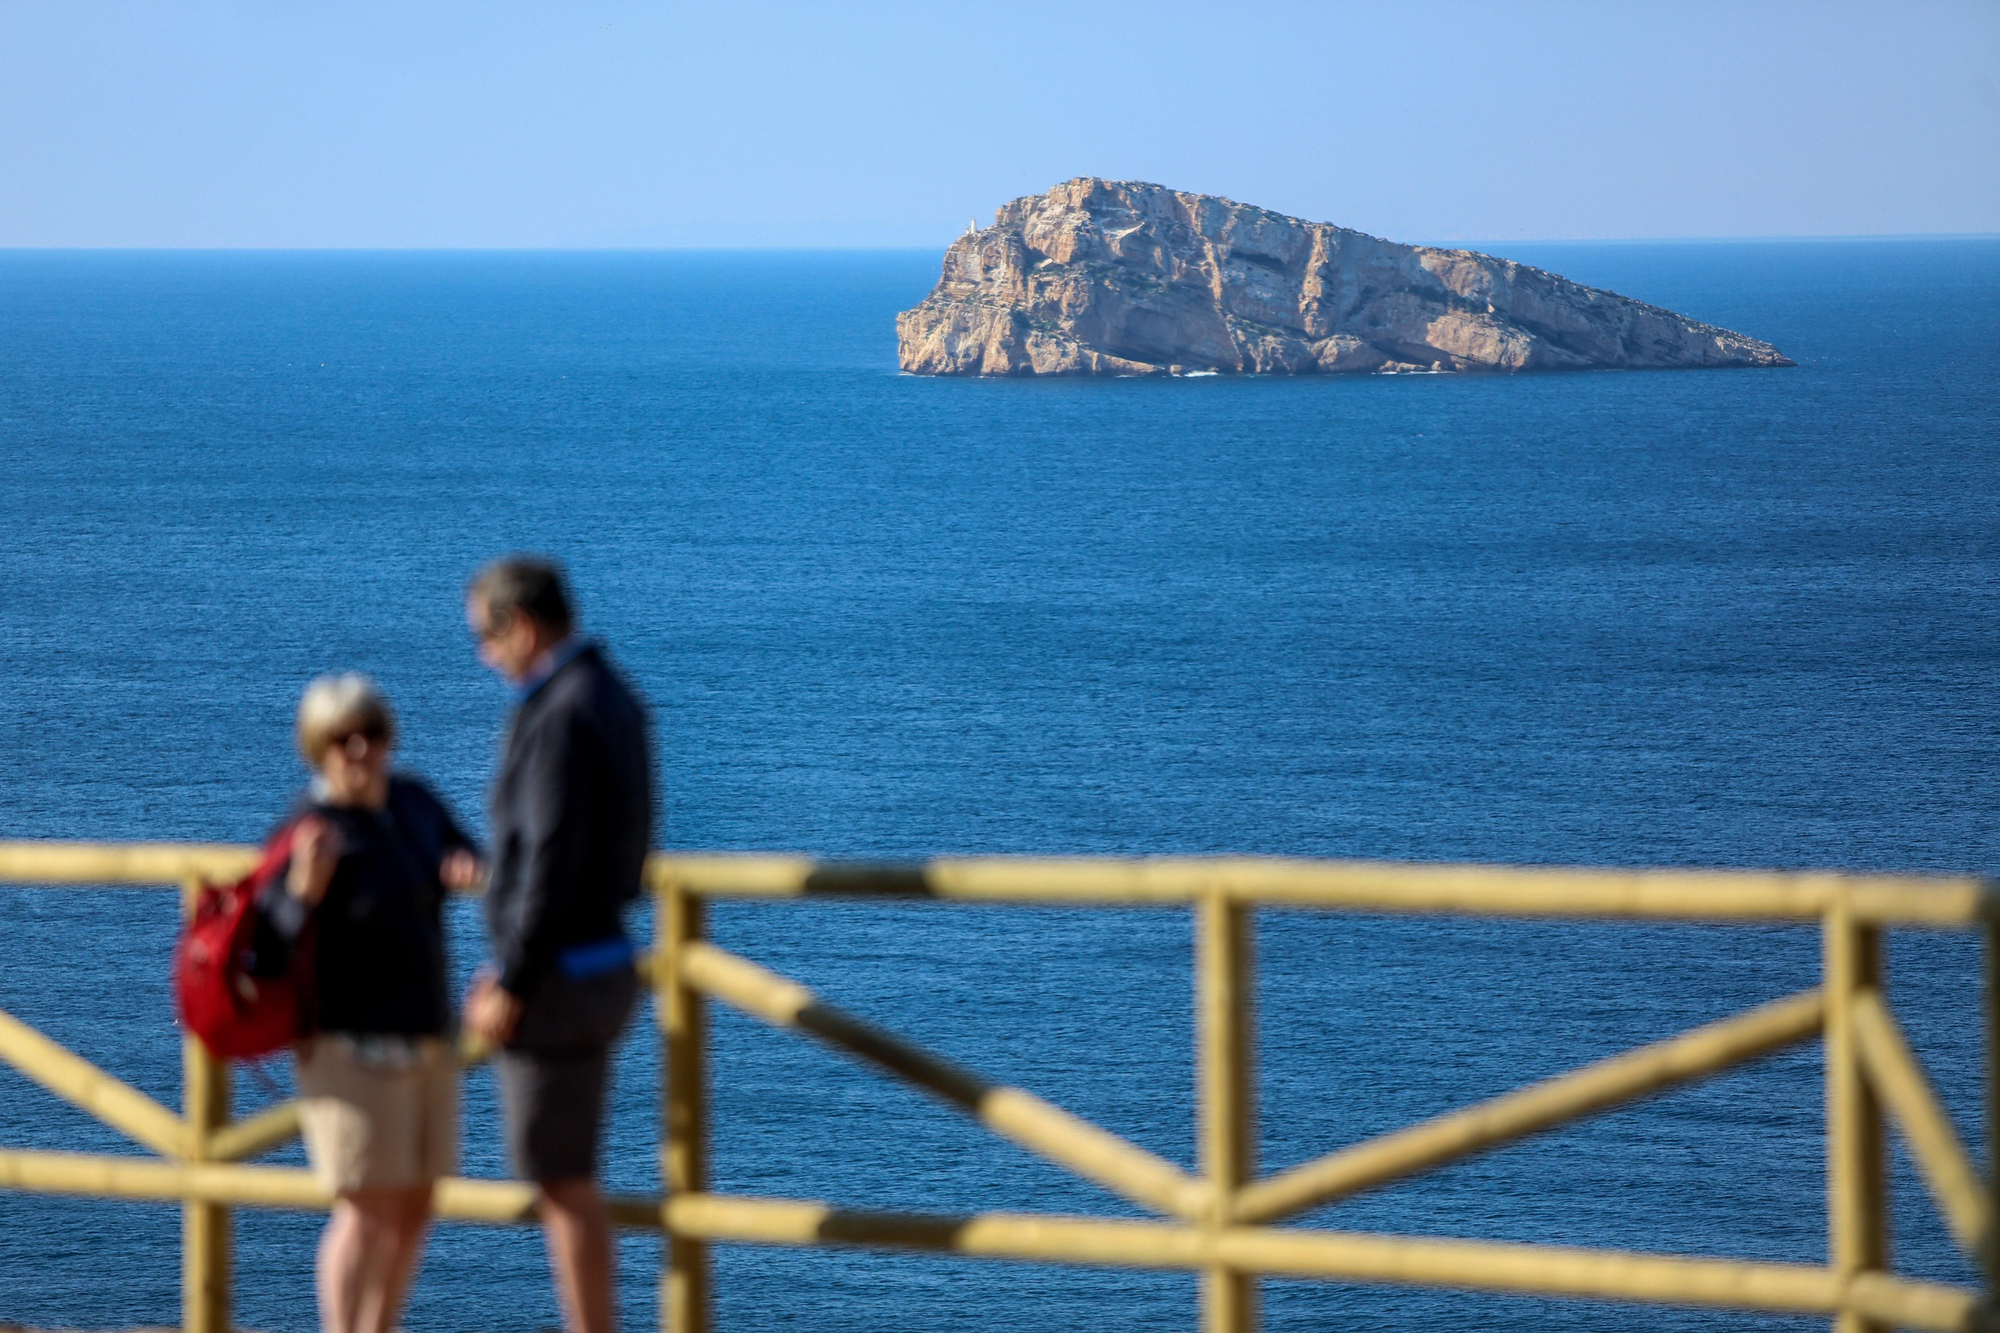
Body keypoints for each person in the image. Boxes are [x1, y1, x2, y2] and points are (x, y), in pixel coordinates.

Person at [254, 673, 480, 1333]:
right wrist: (302, 889)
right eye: (340, 739)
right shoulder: (310, 829)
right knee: (366, 1207)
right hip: (345, 1042)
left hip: (427, 1034)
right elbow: (264, 950)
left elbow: (464, 846)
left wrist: (463, 860)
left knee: (416, 1202)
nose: (358, 749)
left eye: (370, 733)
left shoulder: (413, 802)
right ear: (317, 749)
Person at [462, 556, 653, 1333]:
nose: (484, 655)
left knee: (562, 1179)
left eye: (486, 636)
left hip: (559, 976)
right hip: (602, 959)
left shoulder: (559, 709)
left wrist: (514, 976)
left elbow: (548, 854)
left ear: (524, 626)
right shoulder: (615, 697)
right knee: (569, 1174)